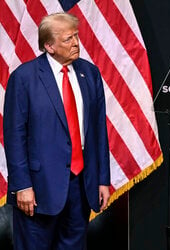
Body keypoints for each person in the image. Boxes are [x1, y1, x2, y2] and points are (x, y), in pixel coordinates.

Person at [3, 13, 110, 250]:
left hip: (81, 185)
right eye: (68, 39)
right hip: (38, 189)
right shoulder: (24, 78)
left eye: (76, 37)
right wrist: (22, 186)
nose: (76, 43)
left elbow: (98, 131)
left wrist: (103, 179)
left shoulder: (90, 74)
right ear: (49, 46)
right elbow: (14, 137)